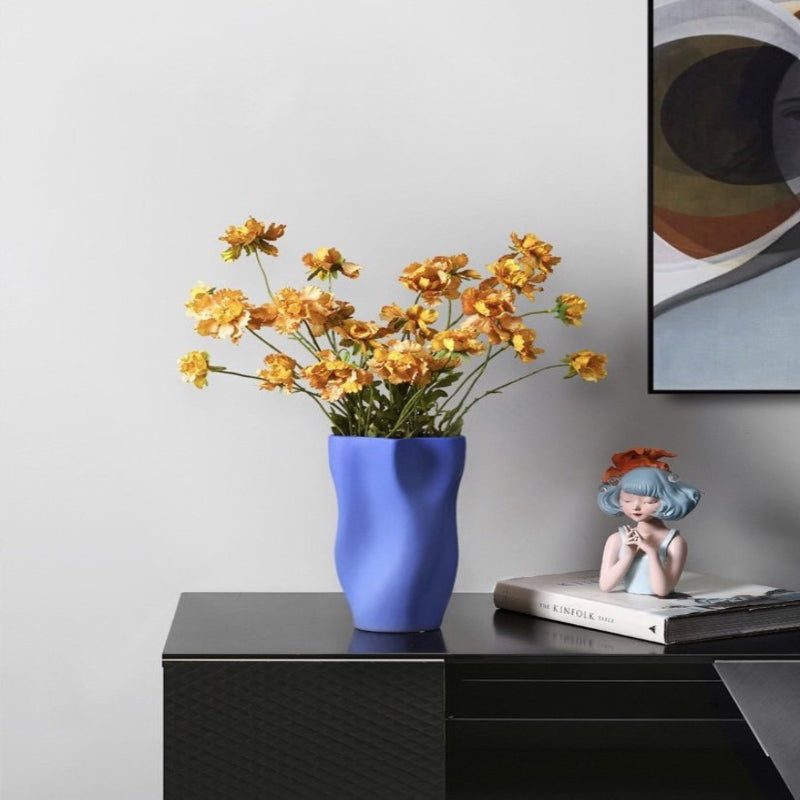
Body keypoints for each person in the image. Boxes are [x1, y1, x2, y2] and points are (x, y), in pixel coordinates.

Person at [596, 448, 701, 597]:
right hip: (628, 606)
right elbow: (605, 585)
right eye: (627, 500)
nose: (636, 507)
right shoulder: (617, 539)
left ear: (666, 501)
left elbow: (662, 591)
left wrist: (651, 552)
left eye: (648, 501)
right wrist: (628, 555)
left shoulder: (675, 542)